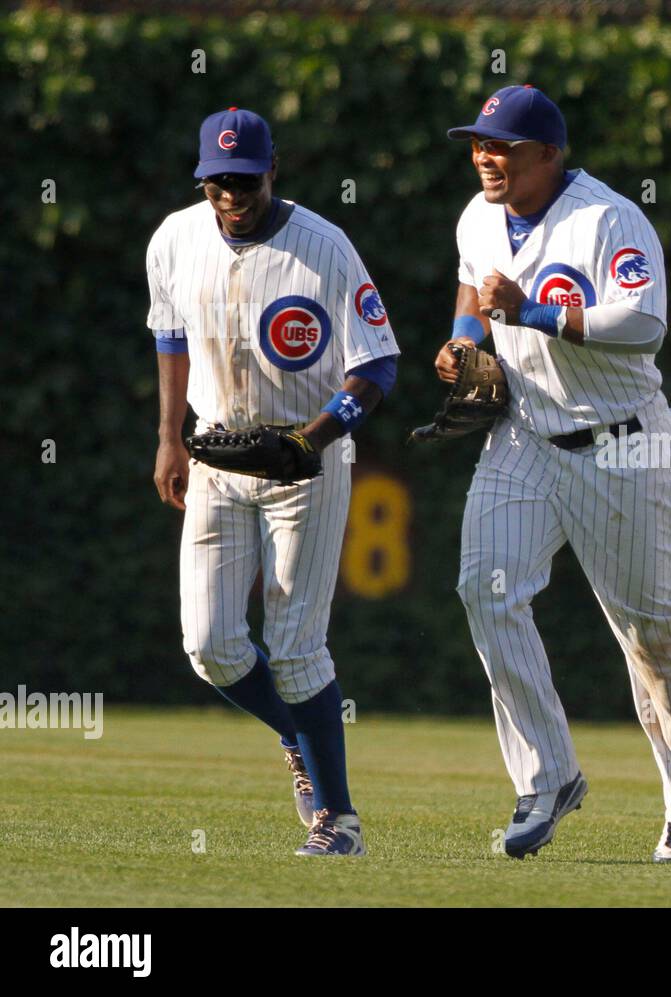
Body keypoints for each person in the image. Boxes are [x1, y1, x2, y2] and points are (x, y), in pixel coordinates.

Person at [438, 84, 671, 861]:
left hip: (625, 442)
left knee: (648, 632)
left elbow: (643, 323)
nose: (486, 157)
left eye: (502, 146)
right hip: (525, 435)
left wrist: (530, 312)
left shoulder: (607, 219)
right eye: (479, 143)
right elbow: (473, 284)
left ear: (548, 154)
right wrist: (465, 342)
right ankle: (547, 775)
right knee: (485, 587)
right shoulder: (478, 214)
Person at [147, 107, 399, 856]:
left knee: (295, 649)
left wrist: (313, 438)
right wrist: (168, 439)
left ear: (272, 171)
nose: (232, 195)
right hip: (217, 458)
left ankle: (339, 819)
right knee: (210, 645)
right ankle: (297, 735)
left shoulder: (323, 245)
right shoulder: (174, 238)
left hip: (305, 465)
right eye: (218, 182)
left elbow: (378, 362)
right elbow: (169, 336)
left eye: (244, 180)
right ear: (202, 179)